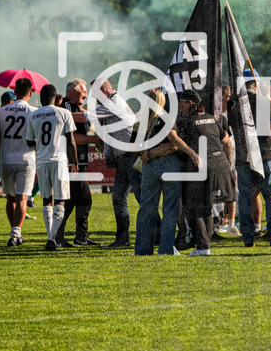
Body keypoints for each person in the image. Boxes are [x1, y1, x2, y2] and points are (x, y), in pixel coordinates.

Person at [135, 89, 201, 256]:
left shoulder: (142, 119)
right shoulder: (166, 116)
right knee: (170, 209)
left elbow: (136, 146)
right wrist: (192, 153)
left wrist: (149, 154)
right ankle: (165, 249)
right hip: (169, 166)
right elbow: (173, 141)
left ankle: (143, 250)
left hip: (149, 168)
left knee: (146, 209)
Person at [81, 78, 141, 248]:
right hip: (125, 158)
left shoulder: (112, 104)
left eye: (96, 94)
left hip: (129, 157)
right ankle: (123, 238)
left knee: (139, 198)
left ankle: (155, 234)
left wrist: (62, 113)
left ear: (104, 91)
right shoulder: (114, 101)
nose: (94, 98)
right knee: (119, 198)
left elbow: (85, 117)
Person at [230, 70, 271, 247]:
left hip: (243, 156)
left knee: (245, 197)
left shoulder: (235, 105)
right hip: (265, 153)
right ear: (255, 84)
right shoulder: (264, 102)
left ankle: (248, 238)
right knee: (270, 196)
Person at [174, 90, 233, 256]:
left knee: (193, 208)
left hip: (201, 167)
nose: (180, 105)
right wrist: (227, 163)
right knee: (206, 206)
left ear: (192, 103)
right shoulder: (210, 117)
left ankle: (202, 247)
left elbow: (177, 144)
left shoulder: (186, 121)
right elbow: (226, 141)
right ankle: (205, 246)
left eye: (183, 101)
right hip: (220, 164)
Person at [25, 84, 77, 251]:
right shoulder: (64, 113)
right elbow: (71, 140)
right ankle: (52, 238)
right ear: (56, 98)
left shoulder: (33, 115)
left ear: (40, 98)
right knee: (60, 200)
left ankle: (50, 237)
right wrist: (74, 160)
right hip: (59, 161)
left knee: (47, 200)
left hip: (41, 161)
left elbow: (28, 141)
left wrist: (40, 144)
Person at [56, 79, 100, 247]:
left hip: (77, 161)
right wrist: (96, 139)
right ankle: (57, 235)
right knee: (70, 198)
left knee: (84, 198)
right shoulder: (67, 106)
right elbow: (72, 137)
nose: (86, 96)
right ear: (72, 92)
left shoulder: (72, 107)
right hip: (71, 161)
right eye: (83, 93)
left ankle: (81, 236)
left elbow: (83, 116)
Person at [0, 79, 36, 247]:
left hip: (6, 159)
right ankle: (15, 234)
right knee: (22, 198)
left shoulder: (1, 111)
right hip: (26, 159)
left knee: (10, 197)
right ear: (30, 92)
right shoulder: (33, 112)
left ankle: (14, 232)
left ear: (15, 91)